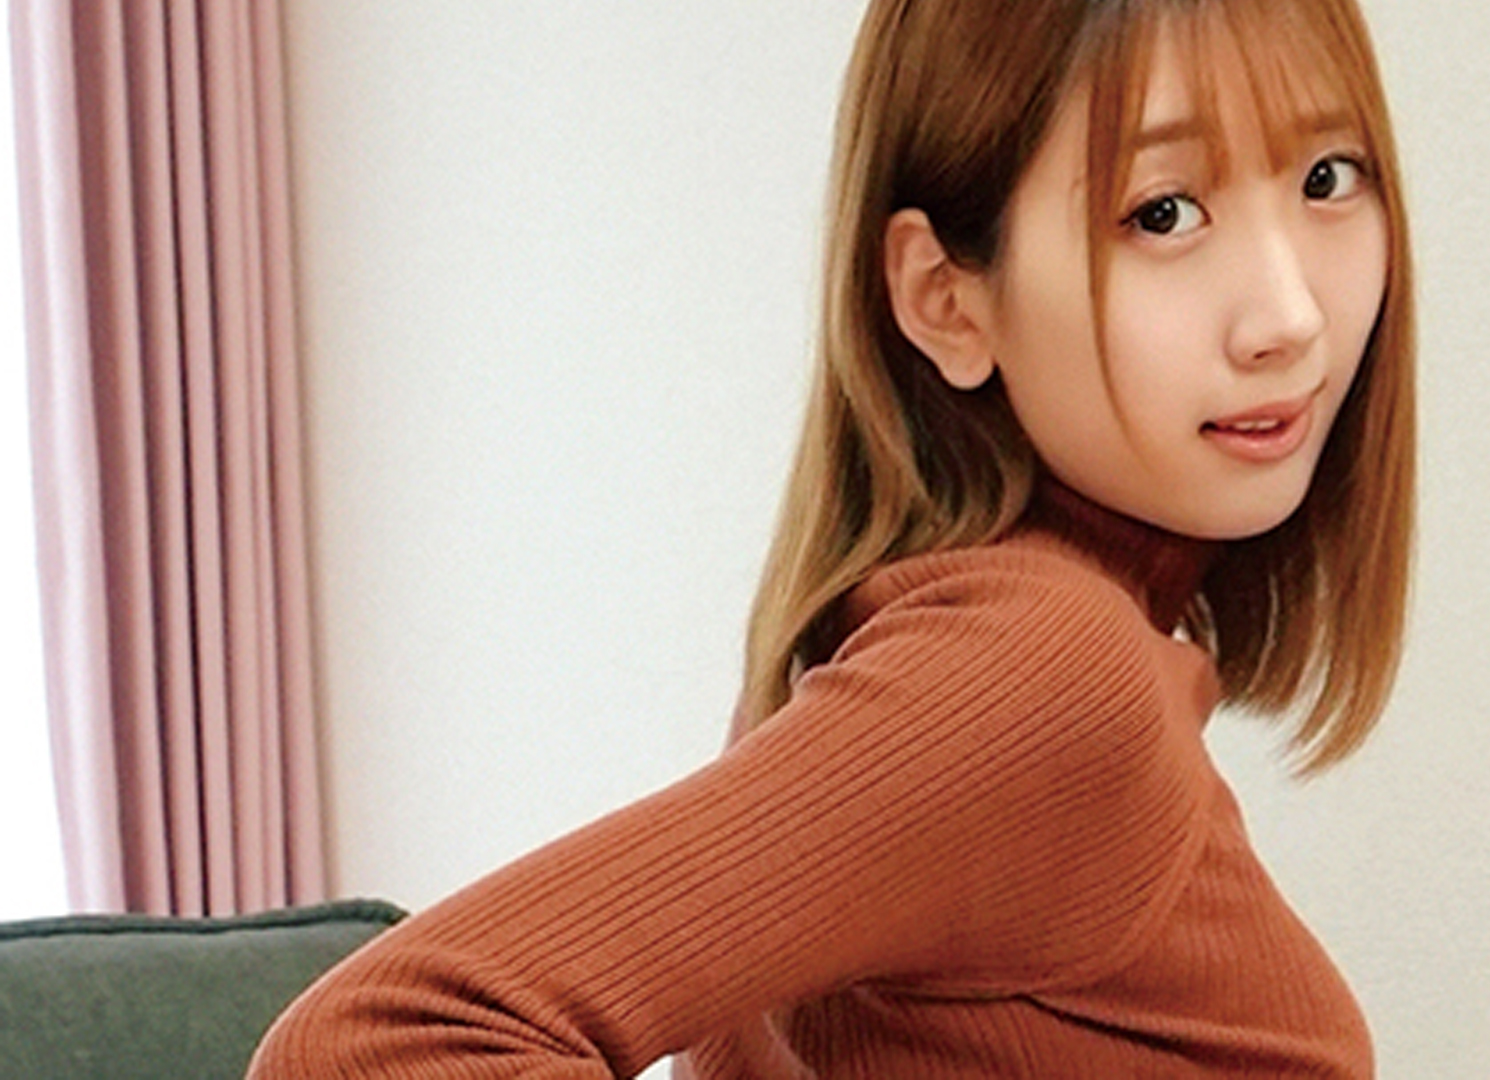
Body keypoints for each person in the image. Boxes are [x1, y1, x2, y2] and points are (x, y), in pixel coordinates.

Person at [248, 0, 1414, 1075]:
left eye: (1327, 177)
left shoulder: (960, 657)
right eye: (1163, 213)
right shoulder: (1033, 673)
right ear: (945, 300)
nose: (1289, 315)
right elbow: (382, 1041)